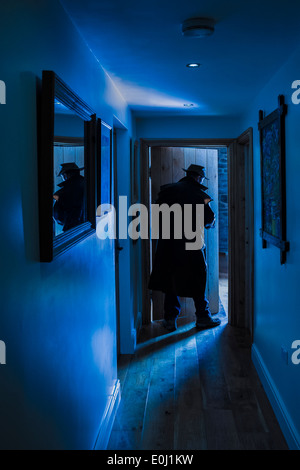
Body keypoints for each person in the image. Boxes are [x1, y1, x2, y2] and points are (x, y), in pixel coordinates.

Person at [148, 164, 221, 332]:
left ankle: (169, 319)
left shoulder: (167, 191)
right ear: (198, 178)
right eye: (202, 178)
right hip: (192, 243)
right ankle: (203, 316)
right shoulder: (199, 194)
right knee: (198, 279)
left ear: (187, 174)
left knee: (170, 279)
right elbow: (209, 220)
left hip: (169, 244)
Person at [53, 162, 85, 232]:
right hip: (84, 226)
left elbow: (58, 216)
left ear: (66, 175)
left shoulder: (66, 190)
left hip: (72, 228)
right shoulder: (86, 184)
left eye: (62, 176)